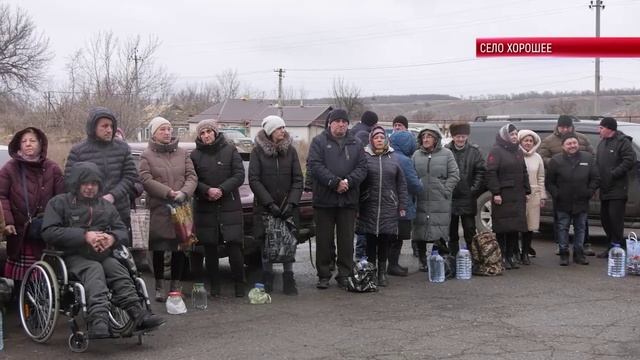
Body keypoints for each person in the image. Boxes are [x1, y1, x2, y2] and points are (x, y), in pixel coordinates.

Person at [42, 162, 165, 339]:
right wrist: (85, 236)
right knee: (94, 270)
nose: (90, 187)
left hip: (102, 254)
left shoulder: (106, 206)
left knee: (117, 269)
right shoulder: (59, 203)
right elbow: (49, 232)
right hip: (72, 255)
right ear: (77, 183)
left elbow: (122, 230)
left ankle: (138, 314)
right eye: (85, 183)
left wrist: (112, 238)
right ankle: (98, 320)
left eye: (94, 183)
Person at [307, 109, 368, 289]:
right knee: (324, 240)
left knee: (346, 240)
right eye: (337, 121)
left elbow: (362, 167)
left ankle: (344, 274)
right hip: (324, 200)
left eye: (344, 121)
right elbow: (315, 165)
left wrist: (348, 182)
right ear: (330, 123)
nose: (341, 124)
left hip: (348, 200)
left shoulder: (356, 143)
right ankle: (324, 274)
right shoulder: (319, 142)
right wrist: (334, 182)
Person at [138, 117, 197, 301]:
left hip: (181, 209)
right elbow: (146, 180)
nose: (167, 132)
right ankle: (159, 286)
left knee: (179, 248)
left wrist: (184, 193)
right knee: (159, 248)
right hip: (159, 208)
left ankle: (175, 286)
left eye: (169, 128)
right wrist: (168, 192)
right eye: (162, 129)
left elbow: (192, 176)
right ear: (154, 133)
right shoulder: (146, 155)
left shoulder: (182, 153)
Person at [64, 107, 139, 246]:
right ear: (93, 128)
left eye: (111, 126)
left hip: (119, 211)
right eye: (104, 126)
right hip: (88, 214)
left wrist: (113, 195)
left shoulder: (123, 148)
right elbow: (70, 181)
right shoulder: (78, 151)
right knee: (94, 251)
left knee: (121, 254)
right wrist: (93, 198)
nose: (109, 130)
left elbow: (130, 176)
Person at [0, 127, 64, 289]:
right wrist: (7, 222)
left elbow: (62, 199)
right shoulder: (9, 168)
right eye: (24, 141)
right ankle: (20, 306)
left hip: (45, 232)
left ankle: (40, 308)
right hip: (19, 232)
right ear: (18, 145)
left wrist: (56, 223)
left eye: (32, 140)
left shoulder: (53, 168)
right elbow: (1, 196)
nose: (28, 144)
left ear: (41, 143)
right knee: (20, 283)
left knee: (44, 280)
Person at [190, 119, 246, 297]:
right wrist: (207, 190)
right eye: (203, 133)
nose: (206, 136)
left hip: (229, 205)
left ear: (215, 132)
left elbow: (239, 175)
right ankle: (215, 286)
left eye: (209, 132)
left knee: (234, 248)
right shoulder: (194, 155)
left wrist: (222, 189)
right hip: (206, 207)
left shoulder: (230, 150)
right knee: (210, 249)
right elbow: (192, 179)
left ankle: (240, 285)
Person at [249, 115, 303, 295]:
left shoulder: (292, 152)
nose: (283, 131)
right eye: (279, 128)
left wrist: (292, 203)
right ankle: (267, 278)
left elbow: (298, 179)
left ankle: (289, 279)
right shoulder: (257, 152)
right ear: (271, 131)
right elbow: (254, 180)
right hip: (266, 208)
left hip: (288, 206)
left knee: (288, 242)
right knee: (267, 243)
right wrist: (270, 203)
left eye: (284, 127)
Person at [356, 126, 408, 286]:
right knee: (370, 240)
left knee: (385, 240)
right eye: (376, 138)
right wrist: (357, 205)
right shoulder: (364, 157)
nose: (379, 140)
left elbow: (401, 183)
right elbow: (358, 182)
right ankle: (371, 272)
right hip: (369, 205)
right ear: (371, 140)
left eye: (382, 137)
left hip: (388, 205)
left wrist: (402, 204)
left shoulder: (393, 158)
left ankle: (382, 273)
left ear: (386, 140)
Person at [538, 115, 595, 256]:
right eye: (562, 126)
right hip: (560, 186)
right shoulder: (549, 141)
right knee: (561, 221)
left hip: (580, 187)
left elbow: (591, 155)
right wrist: (556, 163)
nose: (565, 129)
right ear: (557, 126)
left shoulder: (581, 139)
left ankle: (584, 245)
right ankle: (560, 245)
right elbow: (541, 157)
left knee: (582, 221)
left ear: (572, 127)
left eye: (568, 127)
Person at [546, 133, 599, 266]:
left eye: (574, 143)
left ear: (578, 144)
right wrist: (556, 194)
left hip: (582, 201)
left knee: (580, 228)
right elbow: (549, 182)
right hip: (562, 202)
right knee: (563, 228)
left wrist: (590, 191)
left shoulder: (588, 158)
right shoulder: (556, 160)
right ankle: (564, 254)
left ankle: (579, 254)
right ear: (563, 146)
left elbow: (595, 178)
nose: (572, 146)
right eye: (569, 143)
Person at [412, 124, 460, 271]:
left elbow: (454, 175)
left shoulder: (447, 154)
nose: (426, 139)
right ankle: (422, 260)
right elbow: (411, 175)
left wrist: (445, 190)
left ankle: (438, 259)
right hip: (421, 198)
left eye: (429, 136)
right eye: (424, 137)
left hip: (440, 200)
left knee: (439, 231)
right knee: (420, 230)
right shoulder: (416, 155)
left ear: (436, 139)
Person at [486, 123, 530, 270]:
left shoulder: (518, 151)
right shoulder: (496, 151)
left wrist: (527, 191)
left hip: (517, 194)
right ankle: (502, 256)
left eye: (516, 134)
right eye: (511, 134)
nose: (514, 137)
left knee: (514, 227)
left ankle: (511, 255)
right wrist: (496, 192)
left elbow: (524, 171)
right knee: (502, 228)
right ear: (505, 135)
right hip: (503, 195)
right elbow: (491, 173)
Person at [595, 117, 637, 258]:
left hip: (617, 189)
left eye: (601, 128)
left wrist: (614, 174)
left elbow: (629, 160)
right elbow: (598, 163)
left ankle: (617, 248)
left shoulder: (622, 142)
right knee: (605, 219)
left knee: (615, 220)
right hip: (604, 188)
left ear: (609, 129)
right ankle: (611, 246)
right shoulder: (601, 144)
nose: (598, 130)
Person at [445, 122, 486, 257]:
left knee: (469, 229)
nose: (460, 139)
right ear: (453, 137)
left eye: (463, 136)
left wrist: (473, 189)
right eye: (458, 136)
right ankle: (453, 257)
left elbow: (481, 171)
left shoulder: (474, 151)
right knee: (452, 231)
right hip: (451, 197)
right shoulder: (446, 151)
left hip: (468, 197)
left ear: (467, 136)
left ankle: (472, 256)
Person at [389, 130, 423, 276]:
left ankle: (388, 264)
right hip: (403, 205)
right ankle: (393, 265)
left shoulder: (387, 155)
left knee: (388, 237)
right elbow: (414, 185)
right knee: (398, 238)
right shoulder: (404, 160)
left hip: (387, 205)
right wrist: (421, 183)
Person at [351, 110, 379, 259]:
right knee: (363, 222)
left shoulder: (354, 130)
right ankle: (361, 256)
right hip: (362, 183)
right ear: (373, 123)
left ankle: (358, 255)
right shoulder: (363, 135)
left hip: (354, 181)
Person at [517, 129, 546, 265]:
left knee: (530, 226)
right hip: (518, 195)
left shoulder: (538, 157)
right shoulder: (516, 155)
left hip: (533, 195)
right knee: (518, 225)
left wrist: (542, 196)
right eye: (525, 140)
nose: (528, 143)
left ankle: (525, 253)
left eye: (530, 141)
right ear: (520, 141)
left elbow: (541, 177)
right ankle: (515, 251)